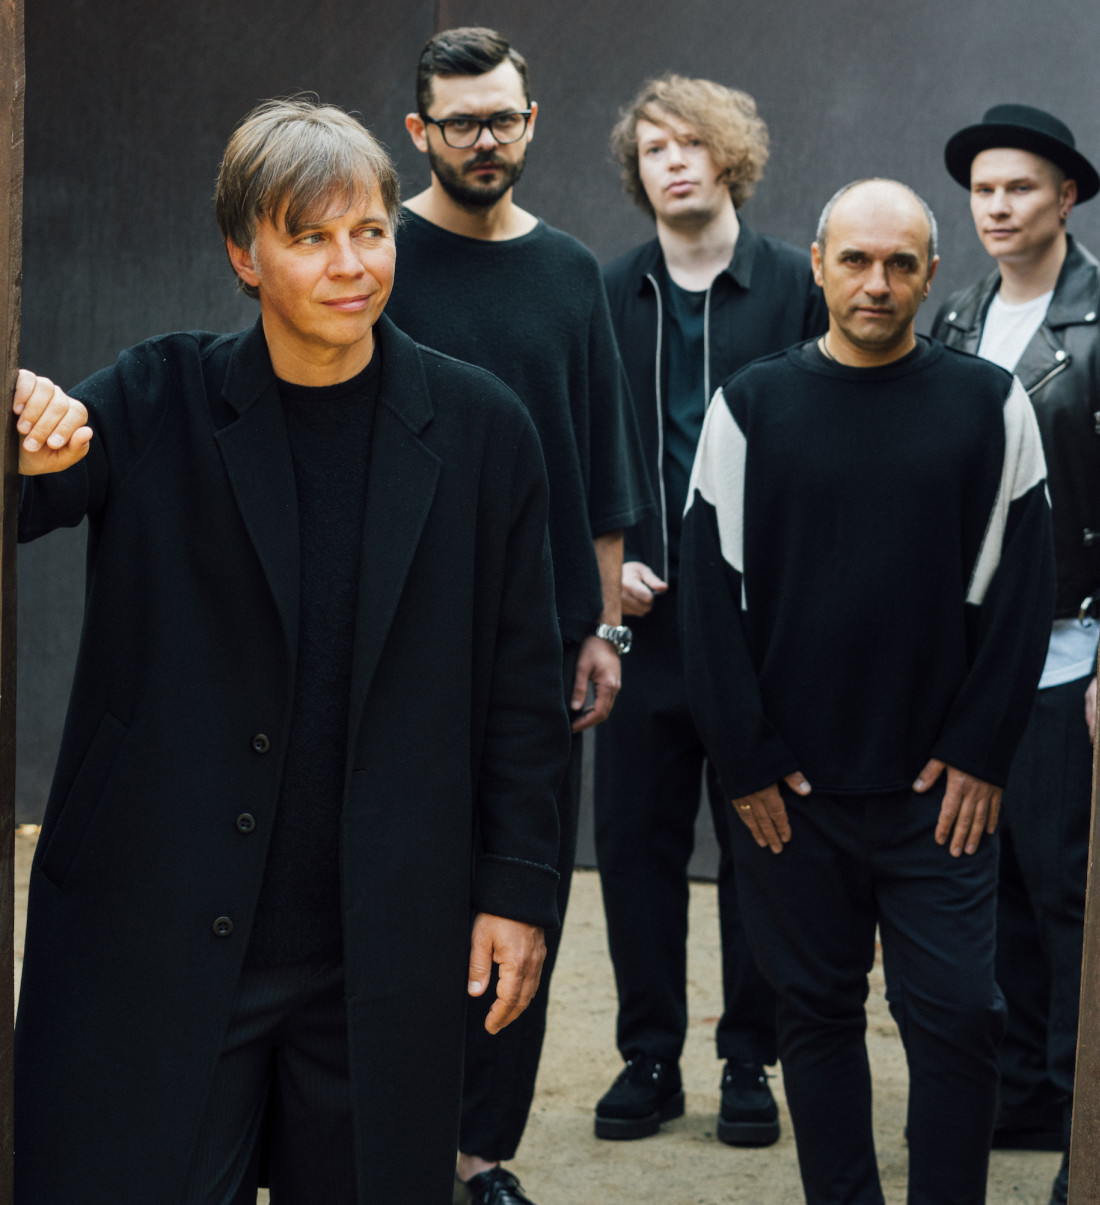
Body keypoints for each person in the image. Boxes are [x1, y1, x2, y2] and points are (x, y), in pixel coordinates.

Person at [11, 97, 570, 1205]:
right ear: (244, 255)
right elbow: (39, 492)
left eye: (369, 231)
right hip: (165, 923)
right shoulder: (159, 395)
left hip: (380, 938)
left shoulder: (483, 429)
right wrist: (23, 430)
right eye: (309, 237)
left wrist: (517, 887)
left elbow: (523, 687)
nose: (349, 265)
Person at [678, 178, 1056, 1205]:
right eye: (855, 259)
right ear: (818, 265)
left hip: (941, 795)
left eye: (900, 263)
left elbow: (1023, 591)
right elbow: (708, 600)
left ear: (932, 274)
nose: (876, 283)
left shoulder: (989, 405)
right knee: (815, 1014)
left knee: (960, 1016)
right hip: (791, 795)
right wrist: (746, 760)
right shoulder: (750, 407)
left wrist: (981, 751)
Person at [385, 27, 655, 1205]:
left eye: (502, 119)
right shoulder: (378, 253)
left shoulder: (569, 272)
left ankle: (479, 1156)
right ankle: (392, 1141)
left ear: (532, 122)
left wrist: (602, 625)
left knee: (525, 887)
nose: (484, 141)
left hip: (539, 640)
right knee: (404, 889)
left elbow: (602, 460)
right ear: (420, 131)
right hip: (400, 636)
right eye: (461, 123)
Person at [593, 73, 826, 1147]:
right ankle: (649, 1055)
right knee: (634, 845)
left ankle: (749, 1056)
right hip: (640, 624)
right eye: (654, 148)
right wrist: (605, 564)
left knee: (760, 841)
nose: (674, 161)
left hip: (760, 629)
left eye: (692, 142)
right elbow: (576, 444)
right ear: (637, 172)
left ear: (730, 156)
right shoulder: (606, 292)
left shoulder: (798, 285)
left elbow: (832, 440)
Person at [933, 103, 1100, 1205]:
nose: (997, 207)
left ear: (1067, 196)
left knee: (1067, 884)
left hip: (1068, 643)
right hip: (972, 651)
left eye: (1020, 188)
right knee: (985, 878)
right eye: (984, 190)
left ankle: (1088, 1110)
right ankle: (1027, 1091)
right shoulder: (955, 316)